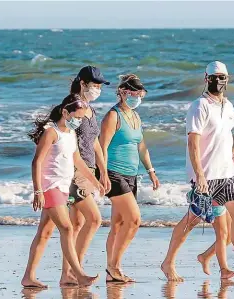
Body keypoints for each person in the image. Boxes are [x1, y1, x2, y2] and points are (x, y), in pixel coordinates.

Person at [161, 61, 234, 282]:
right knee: (191, 221)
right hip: (207, 175)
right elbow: (193, 141)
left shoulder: (228, 106)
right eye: (213, 77)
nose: (218, 81)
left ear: (227, 80)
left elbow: (224, 137)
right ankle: (168, 262)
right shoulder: (199, 106)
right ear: (206, 78)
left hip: (228, 172)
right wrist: (199, 174)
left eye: (222, 77)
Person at [21, 94, 103, 288]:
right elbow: (37, 162)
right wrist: (38, 191)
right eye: (77, 117)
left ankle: (28, 277)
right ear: (65, 112)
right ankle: (78, 274)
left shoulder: (70, 134)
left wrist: (95, 181)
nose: (79, 121)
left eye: (82, 118)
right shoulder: (51, 132)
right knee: (66, 228)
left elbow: (78, 161)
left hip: (64, 187)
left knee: (44, 232)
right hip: (50, 186)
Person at [100, 74, 160, 282]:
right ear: (122, 93)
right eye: (131, 93)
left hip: (131, 174)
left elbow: (141, 146)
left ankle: (112, 271)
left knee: (117, 223)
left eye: (138, 93)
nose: (135, 96)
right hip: (113, 173)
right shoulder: (113, 116)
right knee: (134, 220)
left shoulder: (135, 116)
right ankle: (113, 267)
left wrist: (151, 170)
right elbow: (102, 147)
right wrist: (101, 175)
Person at [60, 66, 111, 286]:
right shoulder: (73, 105)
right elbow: (65, 140)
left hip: (88, 171)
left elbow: (96, 144)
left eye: (100, 86)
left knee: (78, 223)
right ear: (82, 83)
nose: (97, 89)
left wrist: (103, 172)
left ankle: (67, 274)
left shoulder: (90, 108)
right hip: (73, 172)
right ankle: (76, 270)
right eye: (94, 85)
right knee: (94, 219)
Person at [197, 133, 234, 277]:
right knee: (222, 235)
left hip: (227, 200)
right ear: (233, 147)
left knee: (229, 237)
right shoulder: (223, 157)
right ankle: (224, 270)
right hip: (215, 199)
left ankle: (205, 256)